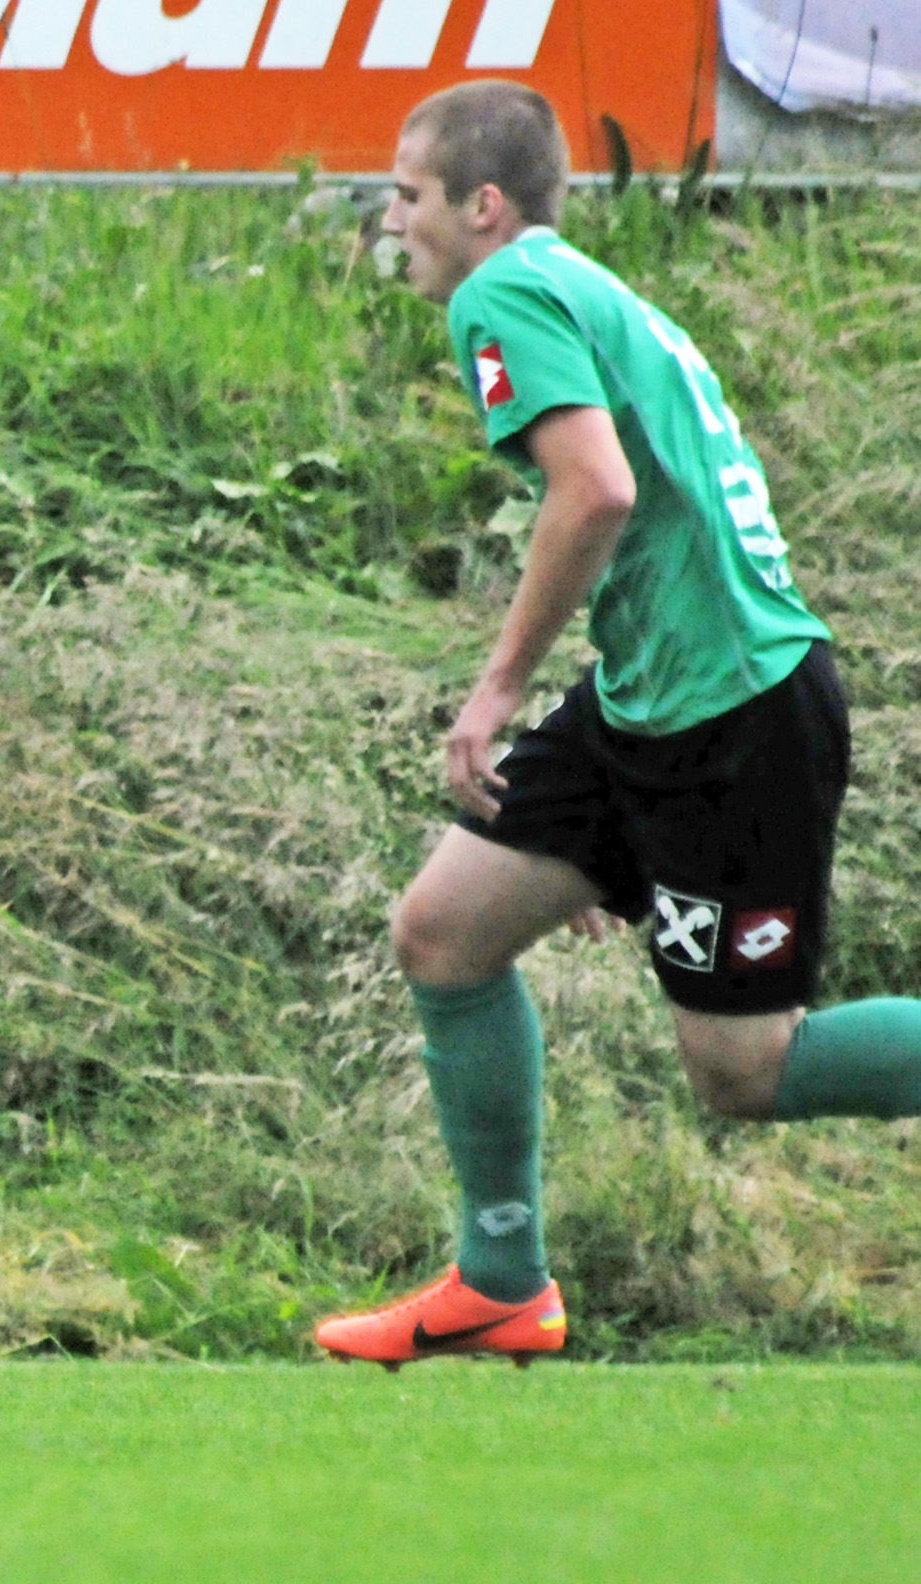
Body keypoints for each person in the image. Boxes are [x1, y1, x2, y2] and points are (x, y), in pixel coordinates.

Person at [315, 81, 921, 1368]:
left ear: (483, 205)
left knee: (744, 1071)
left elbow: (594, 491)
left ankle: (503, 1284)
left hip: (734, 711)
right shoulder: (573, 283)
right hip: (657, 693)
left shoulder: (500, 292)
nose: (392, 219)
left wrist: (495, 688)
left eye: (409, 196)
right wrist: (610, 834)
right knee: (444, 933)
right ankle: (500, 1284)